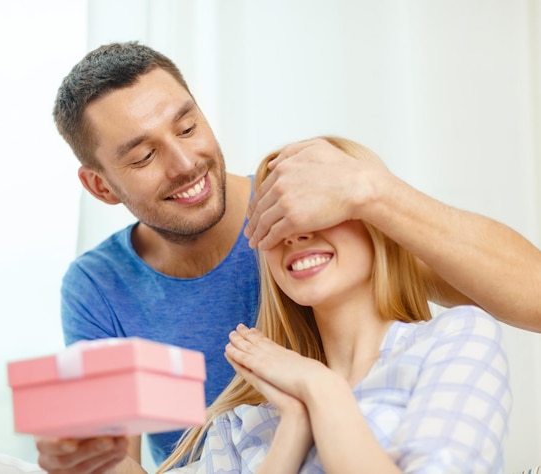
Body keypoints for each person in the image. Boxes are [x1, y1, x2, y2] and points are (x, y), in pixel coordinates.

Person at [36, 41, 539, 473]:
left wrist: (372, 191)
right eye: (143, 156)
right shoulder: (99, 289)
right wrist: (88, 460)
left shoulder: (314, 215)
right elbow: (117, 460)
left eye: (187, 127)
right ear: (100, 186)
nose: (185, 164)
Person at [152, 136, 512, 473]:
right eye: (274, 215)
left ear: (379, 220)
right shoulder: (238, 426)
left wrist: (323, 390)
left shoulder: (455, 341)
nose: (294, 231)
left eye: (318, 206)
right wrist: (294, 424)